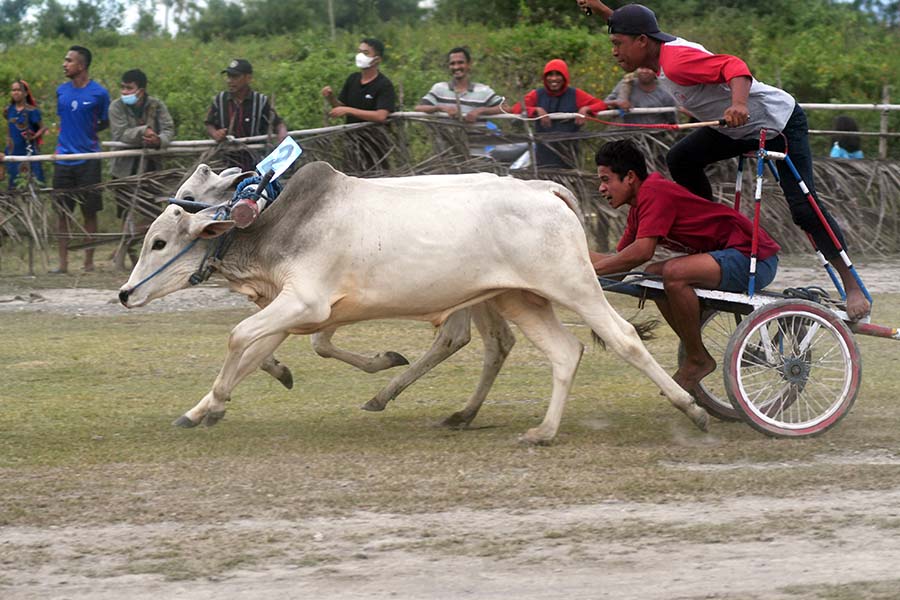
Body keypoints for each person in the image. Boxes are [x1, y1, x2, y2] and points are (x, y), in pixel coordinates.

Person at [576, 1, 870, 320]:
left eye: (618, 44)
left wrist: (738, 103)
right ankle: (708, 243)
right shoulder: (657, 51)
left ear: (642, 41)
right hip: (737, 131)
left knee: (803, 207)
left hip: (776, 123)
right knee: (682, 158)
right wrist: (605, 11)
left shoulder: (676, 61)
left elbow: (735, 67)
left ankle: (851, 283)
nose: (615, 52)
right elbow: (635, 27)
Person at [590, 139, 780, 394]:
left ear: (630, 177)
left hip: (754, 258)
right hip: (728, 257)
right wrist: (574, 260)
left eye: (606, 179)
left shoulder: (654, 192)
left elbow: (640, 253)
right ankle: (696, 350)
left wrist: (589, 271)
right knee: (650, 276)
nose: (601, 188)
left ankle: (697, 358)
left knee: (673, 274)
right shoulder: (638, 207)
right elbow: (620, 260)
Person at [52, 45, 110, 274]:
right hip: (63, 159)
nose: (64, 64)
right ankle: (63, 263)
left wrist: (87, 136)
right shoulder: (62, 91)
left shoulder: (99, 93)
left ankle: (88, 263)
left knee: (89, 212)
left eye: (69, 60)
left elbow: (104, 122)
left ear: (82, 65)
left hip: (88, 159)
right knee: (63, 214)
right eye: (65, 60)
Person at [109, 69, 176, 266]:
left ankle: (136, 252)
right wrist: (142, 131)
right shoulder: (116, 107)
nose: (124, 91)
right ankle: (126, 254)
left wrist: (159, 140)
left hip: (151, 168)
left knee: (151, 211)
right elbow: (120, 133)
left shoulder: (156, 105)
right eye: (122, 87)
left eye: (129, 88)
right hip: (124, 169)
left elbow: (168, 128)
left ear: (141, 90)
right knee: (125, 212)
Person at [509, 58, 608, 168]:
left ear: (565, 77)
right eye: (550, 75)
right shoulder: (537, 94)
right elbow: (517, 108)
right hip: (544, 152)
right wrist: (536, 110)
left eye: (558, 75)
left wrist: (586, 109)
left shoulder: (575, 94)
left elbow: (601, 104)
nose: (553, 78)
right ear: (545, 78)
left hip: (569, 153)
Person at [321, 38, 397, 172]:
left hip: (374, 146)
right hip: (352, 144)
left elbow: (381, 116)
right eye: (359, 51)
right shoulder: (353, 79)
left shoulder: (384, 85)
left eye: (366, 53)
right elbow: (340, 107)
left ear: (377, 59)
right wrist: (331, 97)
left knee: (375, 180)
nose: (361, 56)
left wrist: (349, 110)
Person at [205, 58, 287, 171]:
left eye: (235, 77)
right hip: (227, 163)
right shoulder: (220, 100)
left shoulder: (260, 101)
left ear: (248, 78)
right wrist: (215, 133)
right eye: (228, 76)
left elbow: (278, 123)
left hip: (255, 161)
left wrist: (282, 134)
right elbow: (209, 123)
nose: (229, 81)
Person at [414, 46, 505, 122]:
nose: (456, 67)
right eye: (452, 64)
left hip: (478, 140)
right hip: (447, 141)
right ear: (449, 66)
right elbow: (419, 108)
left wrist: (480, 111)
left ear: (469, 64)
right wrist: (441, 108)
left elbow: (505, 108)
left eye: (460, 63)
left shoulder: (483, 90)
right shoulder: (439, 88)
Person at [4, 79, 47, 190]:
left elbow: (42, 128)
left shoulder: (32, 111)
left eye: (19, 90)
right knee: (14, 186)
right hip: (13, 151)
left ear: (26, 93)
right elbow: (9, 128)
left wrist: (33, 137)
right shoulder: (8, 110)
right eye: (13, 90)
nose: (16, 92)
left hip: (28, 151)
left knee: (33, 185)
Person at [604, 67, 676, 125]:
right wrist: (617, 102)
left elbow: (672, 119)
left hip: (656, 136)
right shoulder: (626, 85)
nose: (644, 71)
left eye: (648, 68)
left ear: (656, 71)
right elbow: (603, 104)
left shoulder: (665, 91)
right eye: (641, 68)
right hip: (627, 136)